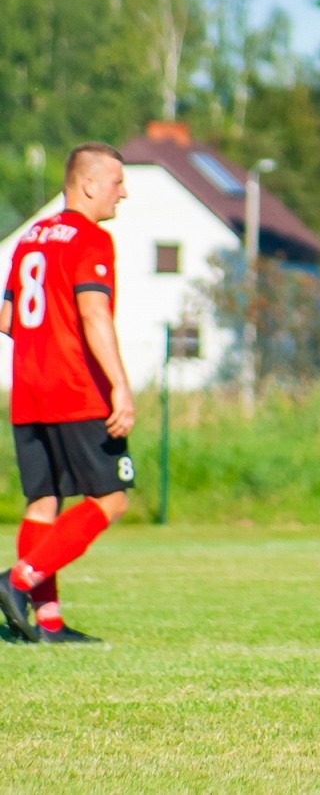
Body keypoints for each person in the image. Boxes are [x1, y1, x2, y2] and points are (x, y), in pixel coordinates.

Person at [0, 142, 136, 645]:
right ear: (89, 184)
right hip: (75, 391)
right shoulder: (89, 239)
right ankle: (17, 580)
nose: (124, 192)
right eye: (118, 182)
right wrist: (120, 385)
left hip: (28, 391)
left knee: (43, 502)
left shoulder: (29, 238)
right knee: (112, 499)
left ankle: (46, 624)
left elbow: (9, 319)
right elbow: (94, 313)